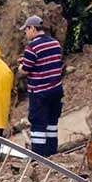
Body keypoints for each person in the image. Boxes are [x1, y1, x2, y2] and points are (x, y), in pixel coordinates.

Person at [19, 16, 65, 156]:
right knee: (52, 122)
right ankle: (52, 153)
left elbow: (25, 70)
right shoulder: (55, 44)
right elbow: (51, 62)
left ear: (32, 28)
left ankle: (39, 156)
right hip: (56, 89)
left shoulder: (32, 47)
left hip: (40, 92)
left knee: (38, 123)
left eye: (26, 30)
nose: (26, 34)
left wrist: (21, 65)